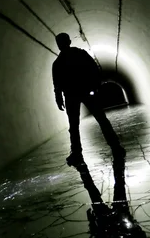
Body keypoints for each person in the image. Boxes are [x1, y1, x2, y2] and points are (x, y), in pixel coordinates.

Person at [52, 33, 125, 166]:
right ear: (69, 41)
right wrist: (95, 87)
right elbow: (94, 69)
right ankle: (115, 146)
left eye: (60, 41)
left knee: (75, 126)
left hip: (71, 96)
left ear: (65, 42)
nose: (60, 44)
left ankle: (77, 153)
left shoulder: (58, 63)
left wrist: (58, 97)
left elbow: (57, 84)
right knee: (101, 119)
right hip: (84, 92)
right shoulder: (79, 54)